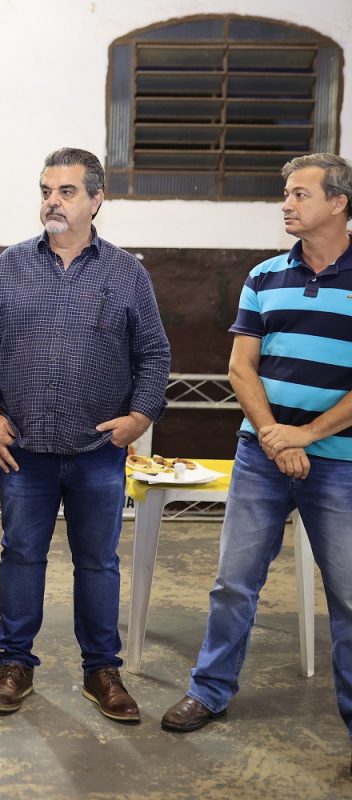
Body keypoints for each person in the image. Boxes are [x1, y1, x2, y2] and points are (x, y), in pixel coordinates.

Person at [161, 153, 352, 774]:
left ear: (338, 202)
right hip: (261, 456)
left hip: (340, 463)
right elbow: (241, 367)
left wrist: (307, 435)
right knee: (233, 584)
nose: (287, 205)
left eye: (300, 194)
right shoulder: (266, 276)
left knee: (348, 596)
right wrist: (275, 435)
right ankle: (209, 692)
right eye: (286, 194)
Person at [0, 147, 171, 722]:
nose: (52, 201)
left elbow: (154, 354)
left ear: (96, 200)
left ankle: (101, 671)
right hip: (23, 451)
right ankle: (15, 665)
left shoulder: (127, 273)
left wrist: (140, 416)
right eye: (46, 190)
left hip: (98, 451)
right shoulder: (10, 266)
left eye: (66, 192)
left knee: (99, 562)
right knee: (22, 555)